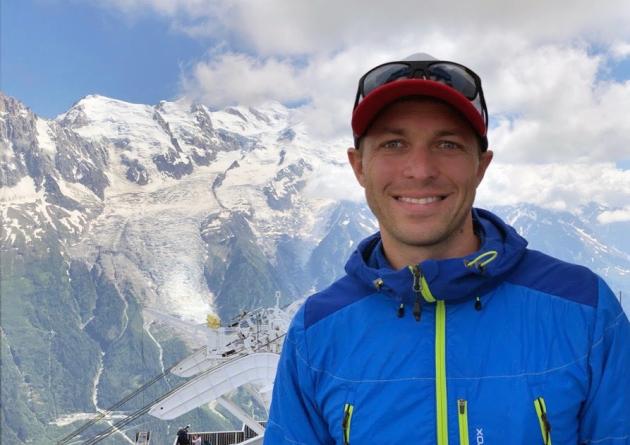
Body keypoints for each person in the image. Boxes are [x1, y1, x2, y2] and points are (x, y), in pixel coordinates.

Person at [264, 53, 630, 444]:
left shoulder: (585, 310)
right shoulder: (317, 331)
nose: (420, 169)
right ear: (359, 167)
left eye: (448, 144)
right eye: (393, 143)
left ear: (481, 166)